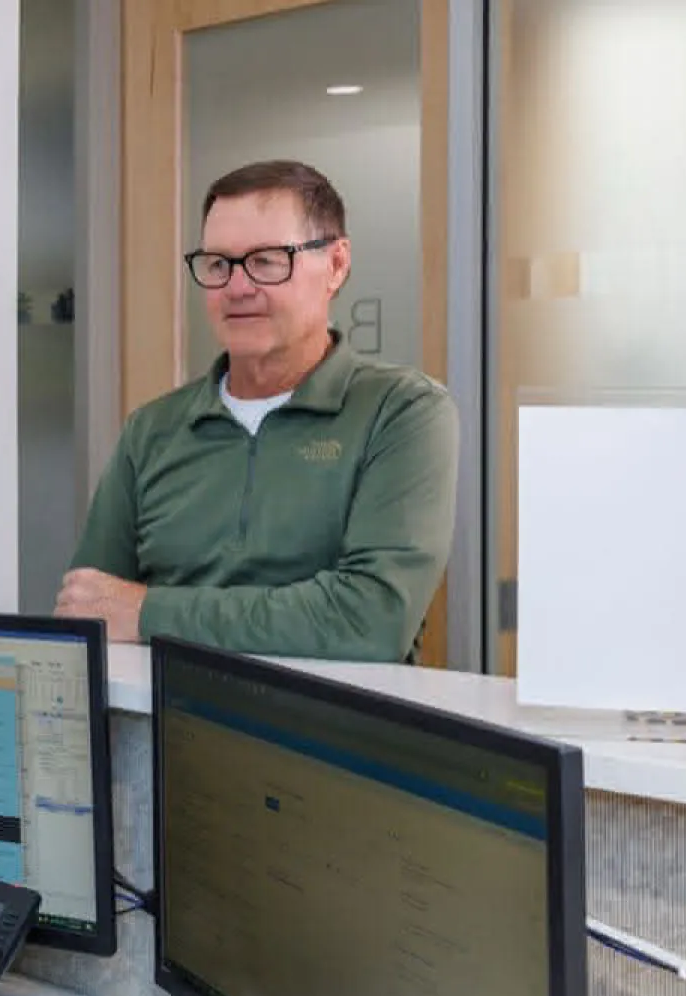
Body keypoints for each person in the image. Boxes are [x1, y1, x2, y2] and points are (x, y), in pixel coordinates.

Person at [57, 159, 457, 662]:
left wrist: (148, 612)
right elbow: (88, 609)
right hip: (162, 732)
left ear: (335, 265)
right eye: (218, 264)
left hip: (324, 736)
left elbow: (371, 619)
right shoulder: (153, 430)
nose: (238, 287)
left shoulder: (402, 413)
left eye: (268, 260)